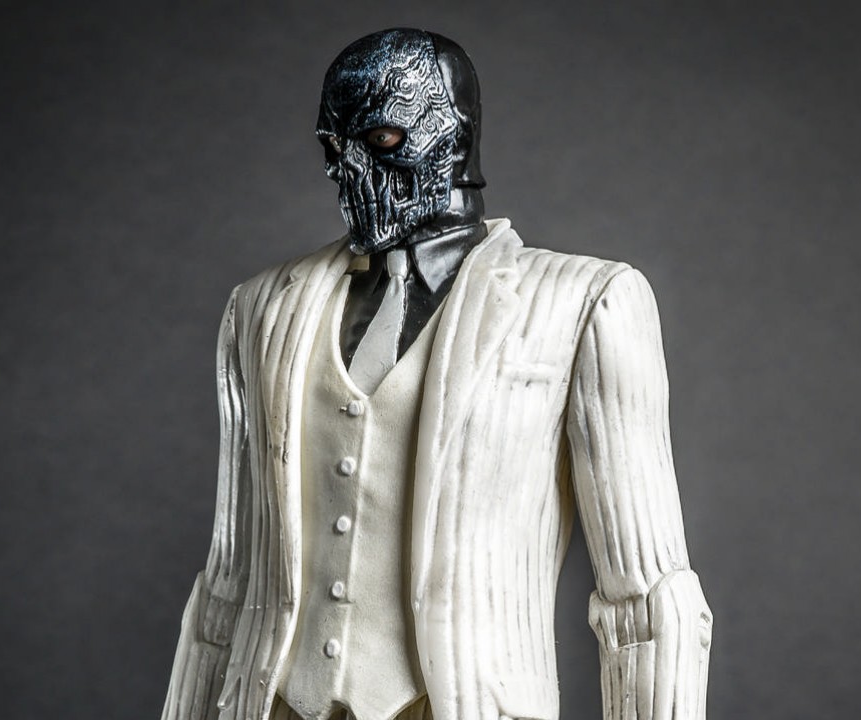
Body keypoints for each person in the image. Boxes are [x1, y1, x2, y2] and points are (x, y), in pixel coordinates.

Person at [161, 28, 712, 720]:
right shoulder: (262, 309)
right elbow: (227, 582)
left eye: (382, 139)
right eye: (335, 148)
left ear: (455, 135)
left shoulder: (584, 303)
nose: (351, 171)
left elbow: (647, 597)